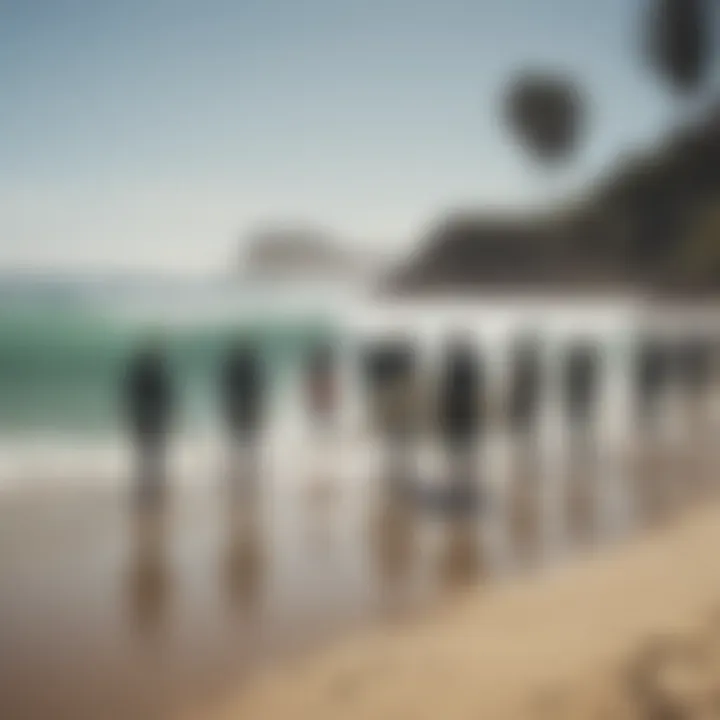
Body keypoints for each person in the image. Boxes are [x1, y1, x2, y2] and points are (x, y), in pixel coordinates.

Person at [123, 339, 174, 505]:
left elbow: (132, 398)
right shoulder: (158, 373)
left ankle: (147, 488)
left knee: (146, 456)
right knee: (153, 455)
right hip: (154, 419)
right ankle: (153, 488)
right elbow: (166, 399)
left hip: (145, 419)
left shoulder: (141, 373)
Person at [438, 337, 483, 497]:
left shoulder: (453, 369)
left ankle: (461, 486)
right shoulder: (468, 368)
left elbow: (446, 396)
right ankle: (463, 486)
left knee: (458, 454)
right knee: (463, 454)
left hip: (460, 418)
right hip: (463, 418)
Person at [219, 338, 266, 482]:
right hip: (246, 407)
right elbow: (257, 389)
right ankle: (249, 472)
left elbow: (227, 389)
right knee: (248, 443)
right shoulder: (251, 366)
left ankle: (239, 472)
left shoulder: (233, 366)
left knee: (239, 443)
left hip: (238, 408)